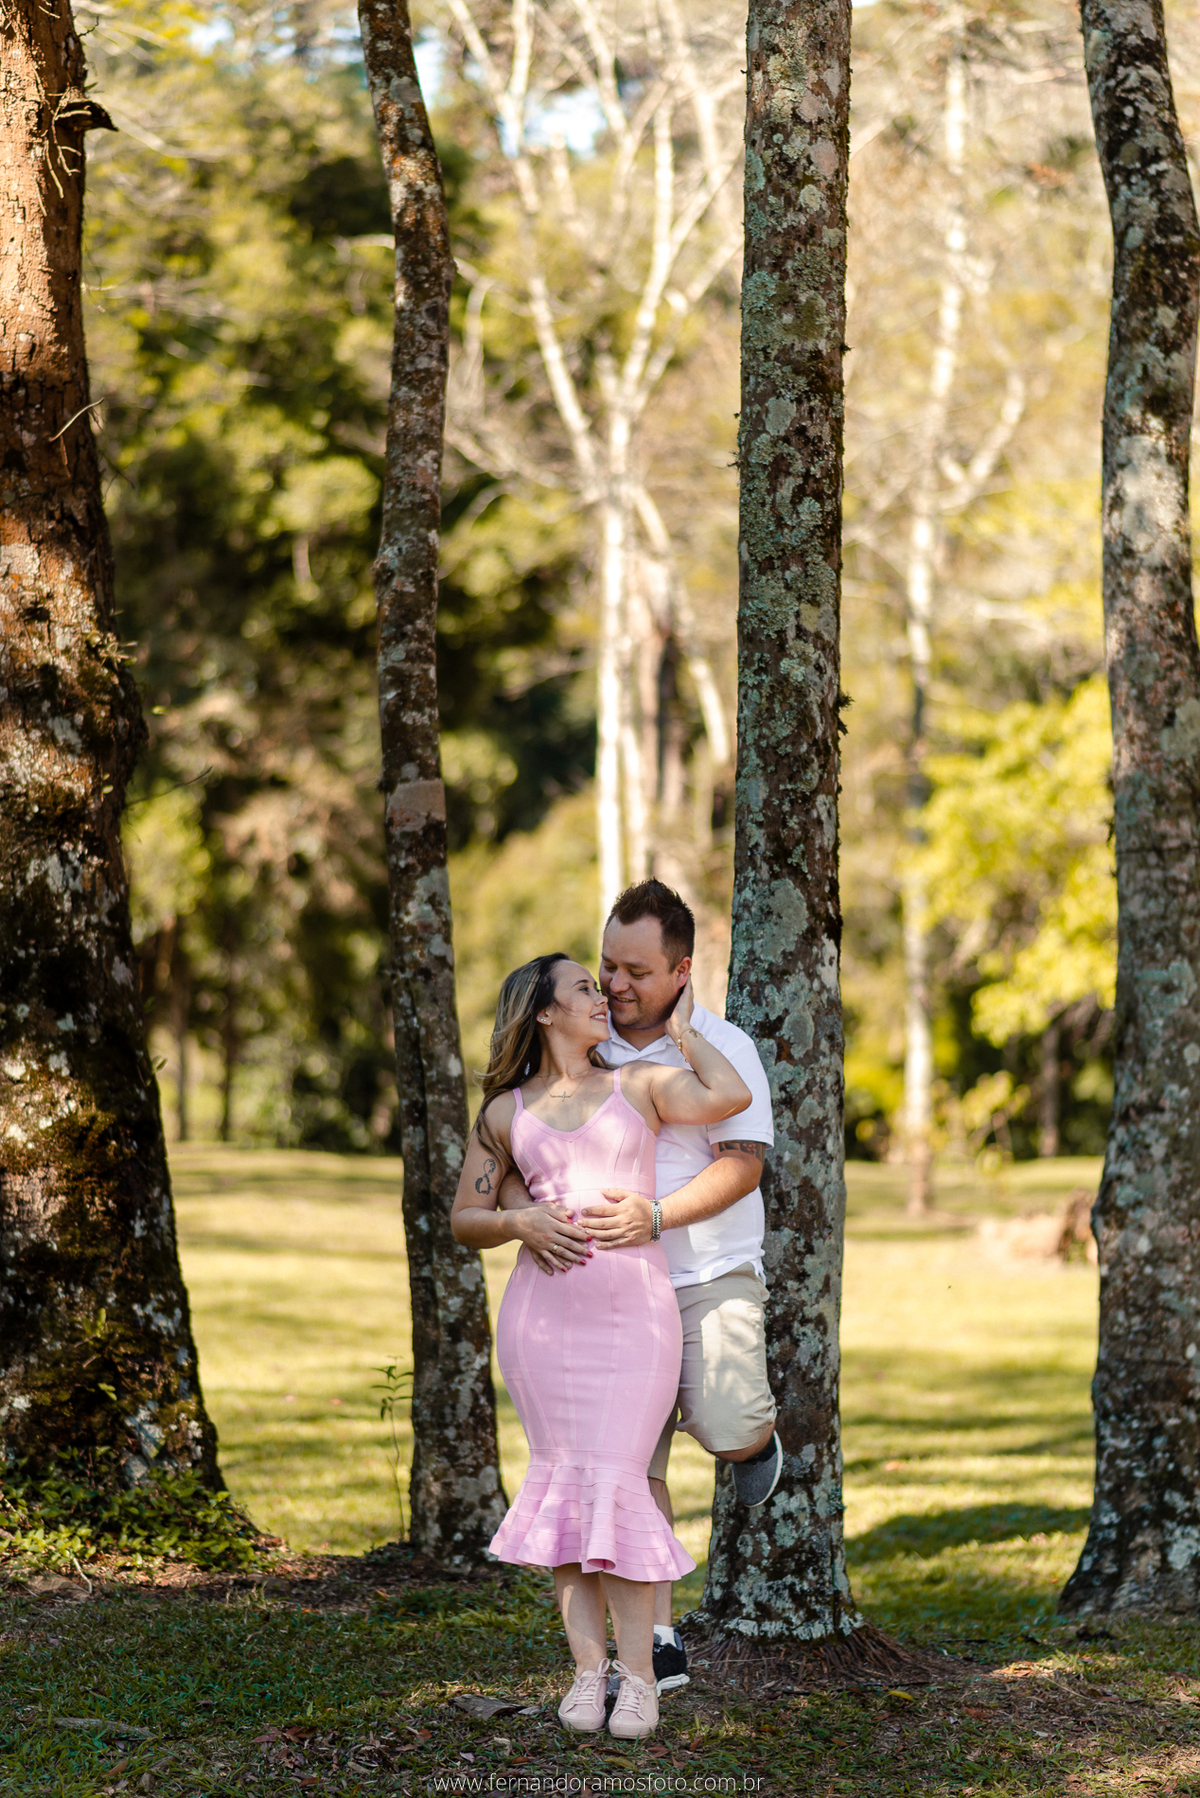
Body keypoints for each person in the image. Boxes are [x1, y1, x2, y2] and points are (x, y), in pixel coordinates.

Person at [450, 951, 751, 1741]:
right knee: (565, 1496)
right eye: (585, 986)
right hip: (541, 1324)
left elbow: (731, 1096)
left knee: (617, 1486)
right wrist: (519, 1220)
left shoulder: (640, 1084)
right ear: (544, 1012)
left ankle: (641, 1679)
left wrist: (681, 1028)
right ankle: (587, 1674)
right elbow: (464, 1220)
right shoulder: (504, 1113)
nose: (604, 994)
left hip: (633, 1317)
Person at [500, 881, 780, 1699]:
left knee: (724, 1423)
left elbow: (744, 1163)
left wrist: (656, 1216)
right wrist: (529, 1217)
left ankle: (753, 1443)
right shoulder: (588, 1044)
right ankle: (655, 1640)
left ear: (681, 970)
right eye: (605, 967)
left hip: (704, 1271)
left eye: (635, 971)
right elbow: (513, 1142)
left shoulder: (724, 1047)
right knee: (629, 1463)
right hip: (605, 1293)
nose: (615, 986)